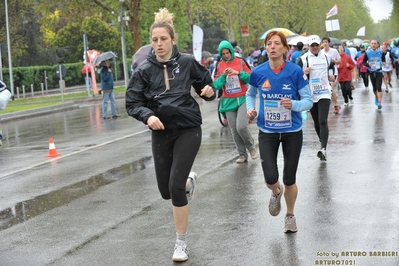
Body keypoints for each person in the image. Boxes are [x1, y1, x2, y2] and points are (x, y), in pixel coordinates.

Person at [125, 8, 215, 262]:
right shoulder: (143, 70)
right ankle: (189, 183)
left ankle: (181, 243)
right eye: (154, 40)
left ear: (172, 39)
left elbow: (205, 84)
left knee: (174, 187)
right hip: (161, 132)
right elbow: (132, 102)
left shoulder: (186, 62)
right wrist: (147, 115)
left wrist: (208, 91)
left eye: (163, 39)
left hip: (188, 128)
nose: (159, 44)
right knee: (166, 191)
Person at [246, 31, 313, 233]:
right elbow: (250, 94)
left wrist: (292, 104)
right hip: (267, 131)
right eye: (269, 44)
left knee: (290, 178)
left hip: (292, 131)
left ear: (285, 48)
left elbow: (308, 101)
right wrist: (251, 109)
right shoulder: (258, 72)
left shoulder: (295, 72)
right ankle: (276, 191)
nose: (272, 47)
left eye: (277, 43)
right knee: (270, 176)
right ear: (265, 48)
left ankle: (290, 215)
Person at [213, 40, 257, 163]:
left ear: (232, 51)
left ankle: (251, 147)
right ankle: (242, 154)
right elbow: (215, 85)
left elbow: (251, 77)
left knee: (241, 126)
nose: (226, 55)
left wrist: (238, 73)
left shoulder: (241, 62)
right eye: (224, 53)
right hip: (228, 101)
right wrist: (223, 76)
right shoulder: (219, 65)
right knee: (234, 129)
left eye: (228, 52)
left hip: (243, 98)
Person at [298, 35, 335, 161]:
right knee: (316, 122)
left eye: (316, 45)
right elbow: (297, 76)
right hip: (310, 93)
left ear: (320, 45)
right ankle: (321, 139)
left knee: (323, 120)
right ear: (309, 46)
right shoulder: (303, 59)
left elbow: (332, 68)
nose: (314, 47)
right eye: (312, 45)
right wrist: (304, 73)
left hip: (324, 92)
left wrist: (332, 76)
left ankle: (323, 149)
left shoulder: (326, 57)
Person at [321, 37, 341, 114]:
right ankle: (336, 103)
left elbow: (340, 61)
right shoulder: (321, 52)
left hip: (333, 72)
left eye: (326, 42)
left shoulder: (334, 51)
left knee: (331, 89)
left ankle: (335, 105)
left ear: (329, 43)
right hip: (324, 73)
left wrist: (334, 61)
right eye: (323, 42)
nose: (325, 43)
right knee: (328, 90)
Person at [362, 39, 385, 109]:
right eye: (372, 44)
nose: (374, 45)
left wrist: (383, 62)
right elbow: (363, 62)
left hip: (379, 71)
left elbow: (383, 59)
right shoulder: (368, 53)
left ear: (377, 45)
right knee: (374, 88)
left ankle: (380, 102)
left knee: (379, 87)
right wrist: (368, 64)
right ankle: (376, 96)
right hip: (371, 72)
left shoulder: (381, 52)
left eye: (375, 43)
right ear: (370, 45)